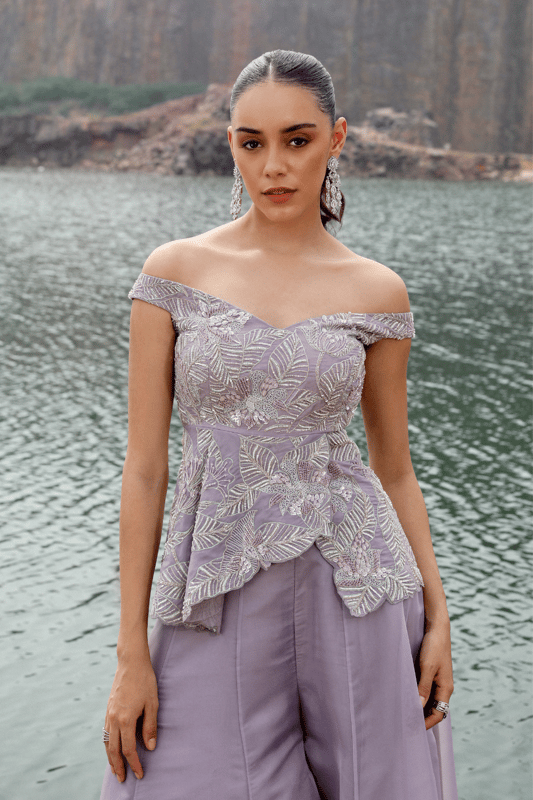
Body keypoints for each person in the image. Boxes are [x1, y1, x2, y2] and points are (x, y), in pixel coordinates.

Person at [100, 49, 459, 800]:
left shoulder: (376, 290)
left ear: (336, 139)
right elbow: (145, 468)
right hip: (211, 589)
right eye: (251, 142)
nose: (273, 167)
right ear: (230, 143)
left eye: (298, 140)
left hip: (357, 586)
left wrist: (437, 617)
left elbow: (394, 468)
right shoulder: (173, 274)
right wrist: (131, 652)